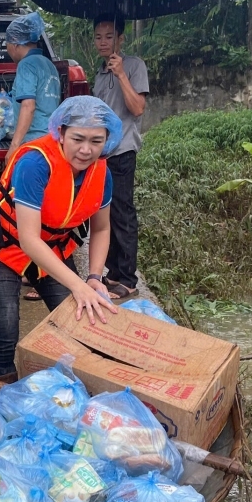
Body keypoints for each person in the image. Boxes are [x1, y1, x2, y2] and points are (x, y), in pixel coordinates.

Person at [0, 96, 122, 379]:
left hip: (52, 248)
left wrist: (94, 278)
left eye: (96, 141)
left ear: (107, 140)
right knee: (5, 330)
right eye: (78, 138)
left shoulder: (102, 173)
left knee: (79, 323)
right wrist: (78, 285)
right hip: (1, 246)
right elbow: (29, 240)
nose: (86, 150)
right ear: (60, 133)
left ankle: (75, 393)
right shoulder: (35, 164)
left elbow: (101, 228)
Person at [92, 16, 149, 299]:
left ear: (120, 39)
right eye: (99, 37)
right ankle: (112, 273)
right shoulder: (100, 73)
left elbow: (137, 108)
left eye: (109, 36)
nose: (103, 42)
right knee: (104, 213)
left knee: (123, 213)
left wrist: (122, 74)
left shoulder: (134, 66)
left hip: (123, 150)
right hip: (101, 155)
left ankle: (127, 278)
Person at [4, 11, 62, 158]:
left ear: (16, 44)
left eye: (7, 44)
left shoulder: (26, 65)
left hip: (34, 144)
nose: (7, 49)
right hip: (52, 140)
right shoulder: (49, 65)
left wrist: (14, 146)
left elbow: (28, 105)